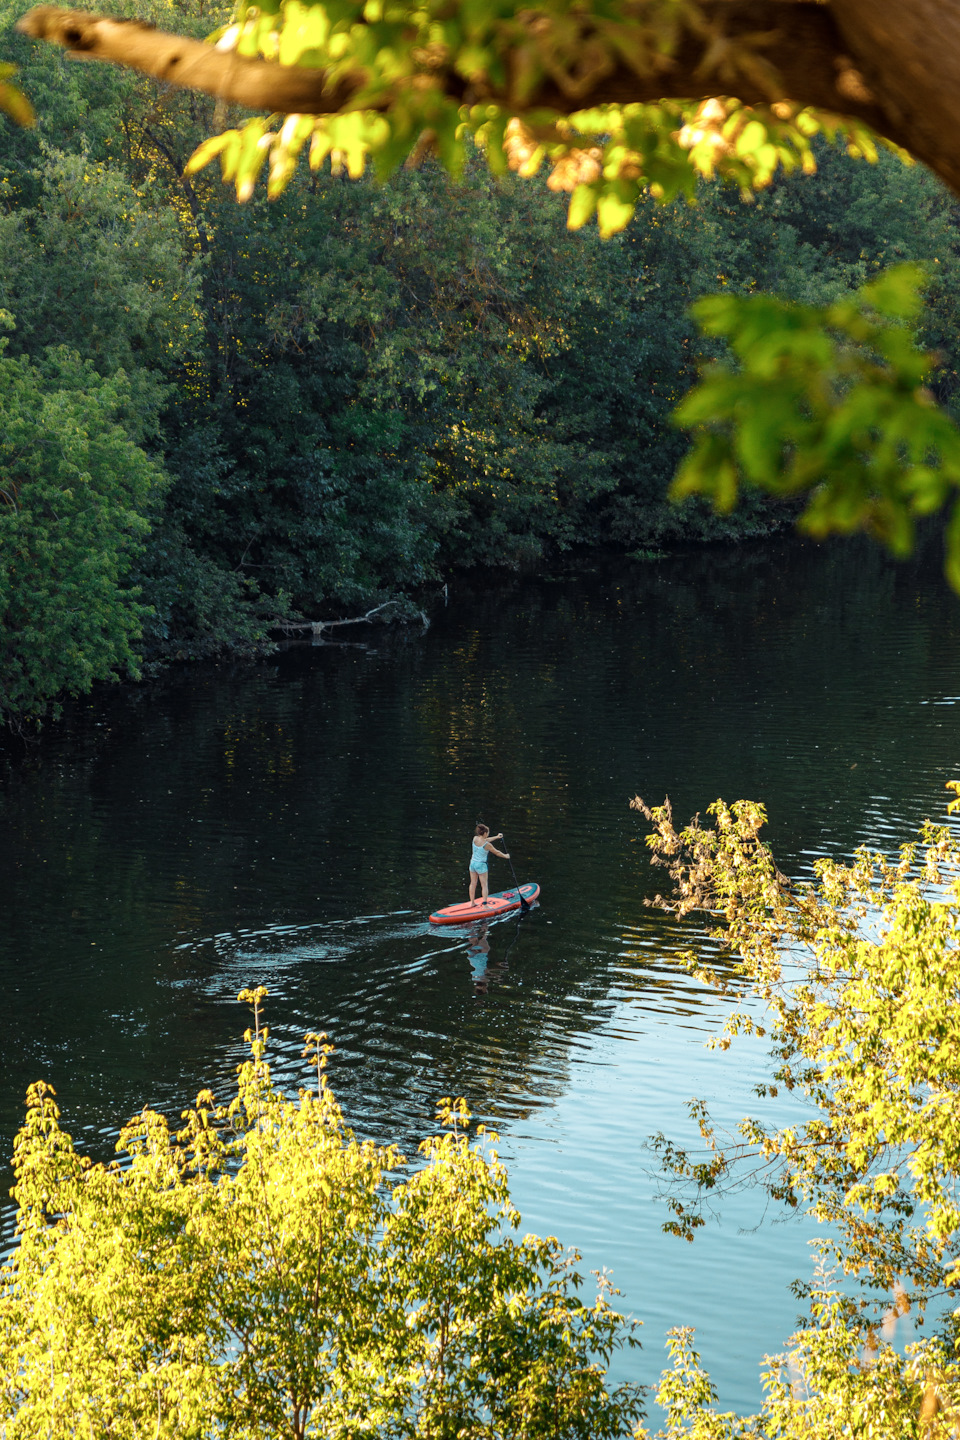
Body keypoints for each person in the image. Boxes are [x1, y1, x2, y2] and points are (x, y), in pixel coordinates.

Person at [468, 823, 509, 904]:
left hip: (472, 863)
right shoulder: (487, 845)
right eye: (488, 832)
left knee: (473, 883)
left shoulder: (475, 838)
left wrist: (497, 837)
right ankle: (485, 905)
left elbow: (485, 840)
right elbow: (497, 852)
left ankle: (472, 903)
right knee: (484, 885)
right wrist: (506, 856)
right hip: (481, 865)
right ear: (485, 833)